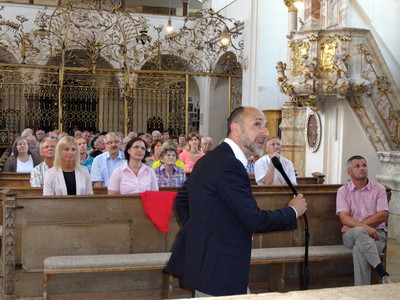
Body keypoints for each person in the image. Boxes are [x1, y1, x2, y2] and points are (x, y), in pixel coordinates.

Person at [165, 106, 307, 297]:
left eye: (265, 125)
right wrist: (292, 211)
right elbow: (254, 220)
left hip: (211, 264)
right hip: (219, 268)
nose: (265, 131)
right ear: (236, 129)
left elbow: (183, 201)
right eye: (257, 124)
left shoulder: (213, 158)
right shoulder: (227, 164)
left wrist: (202, 232)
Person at [336, 155, 393, 285]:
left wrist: (357, 226)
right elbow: (344, 217)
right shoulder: (343, 191)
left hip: (377, 235)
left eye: (364, 165)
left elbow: (382, 216)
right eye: (357, 166)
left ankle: (361, 293)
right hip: (350, 236)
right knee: (358, 232)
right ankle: (383, 273)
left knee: (358, 249)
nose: (362, 168)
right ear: (349, 172)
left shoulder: (379, 189)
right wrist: (366, 228)